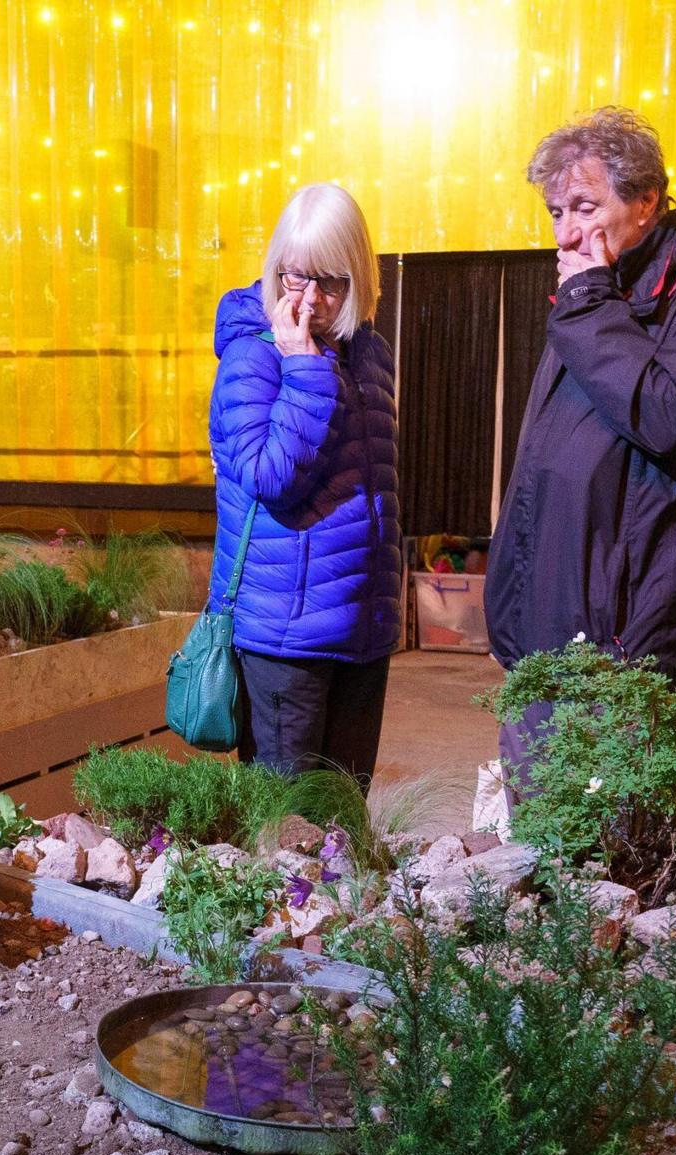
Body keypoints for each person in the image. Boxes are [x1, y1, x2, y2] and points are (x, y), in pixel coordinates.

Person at [487, 108, 676, 768]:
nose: (566, 231)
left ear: (646, 201)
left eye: (584, 206)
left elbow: (669, 417)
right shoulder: (593, 292)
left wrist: (588, 303)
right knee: (539, 834)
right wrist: (509, 606)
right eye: (555, 211)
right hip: (549, 612)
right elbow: (543, 462)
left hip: (625, 628)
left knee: (617, 842)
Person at [206, 184, 402, 784]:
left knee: (344, 821)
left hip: (361, 630)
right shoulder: (253, 357)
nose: (311, 300)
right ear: (275, 270)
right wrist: (304, 367)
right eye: (296, 277)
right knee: (285, 830)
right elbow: (273, 478)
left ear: (360, 279)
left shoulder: (370, 353)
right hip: (283, 638)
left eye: (332, 282)